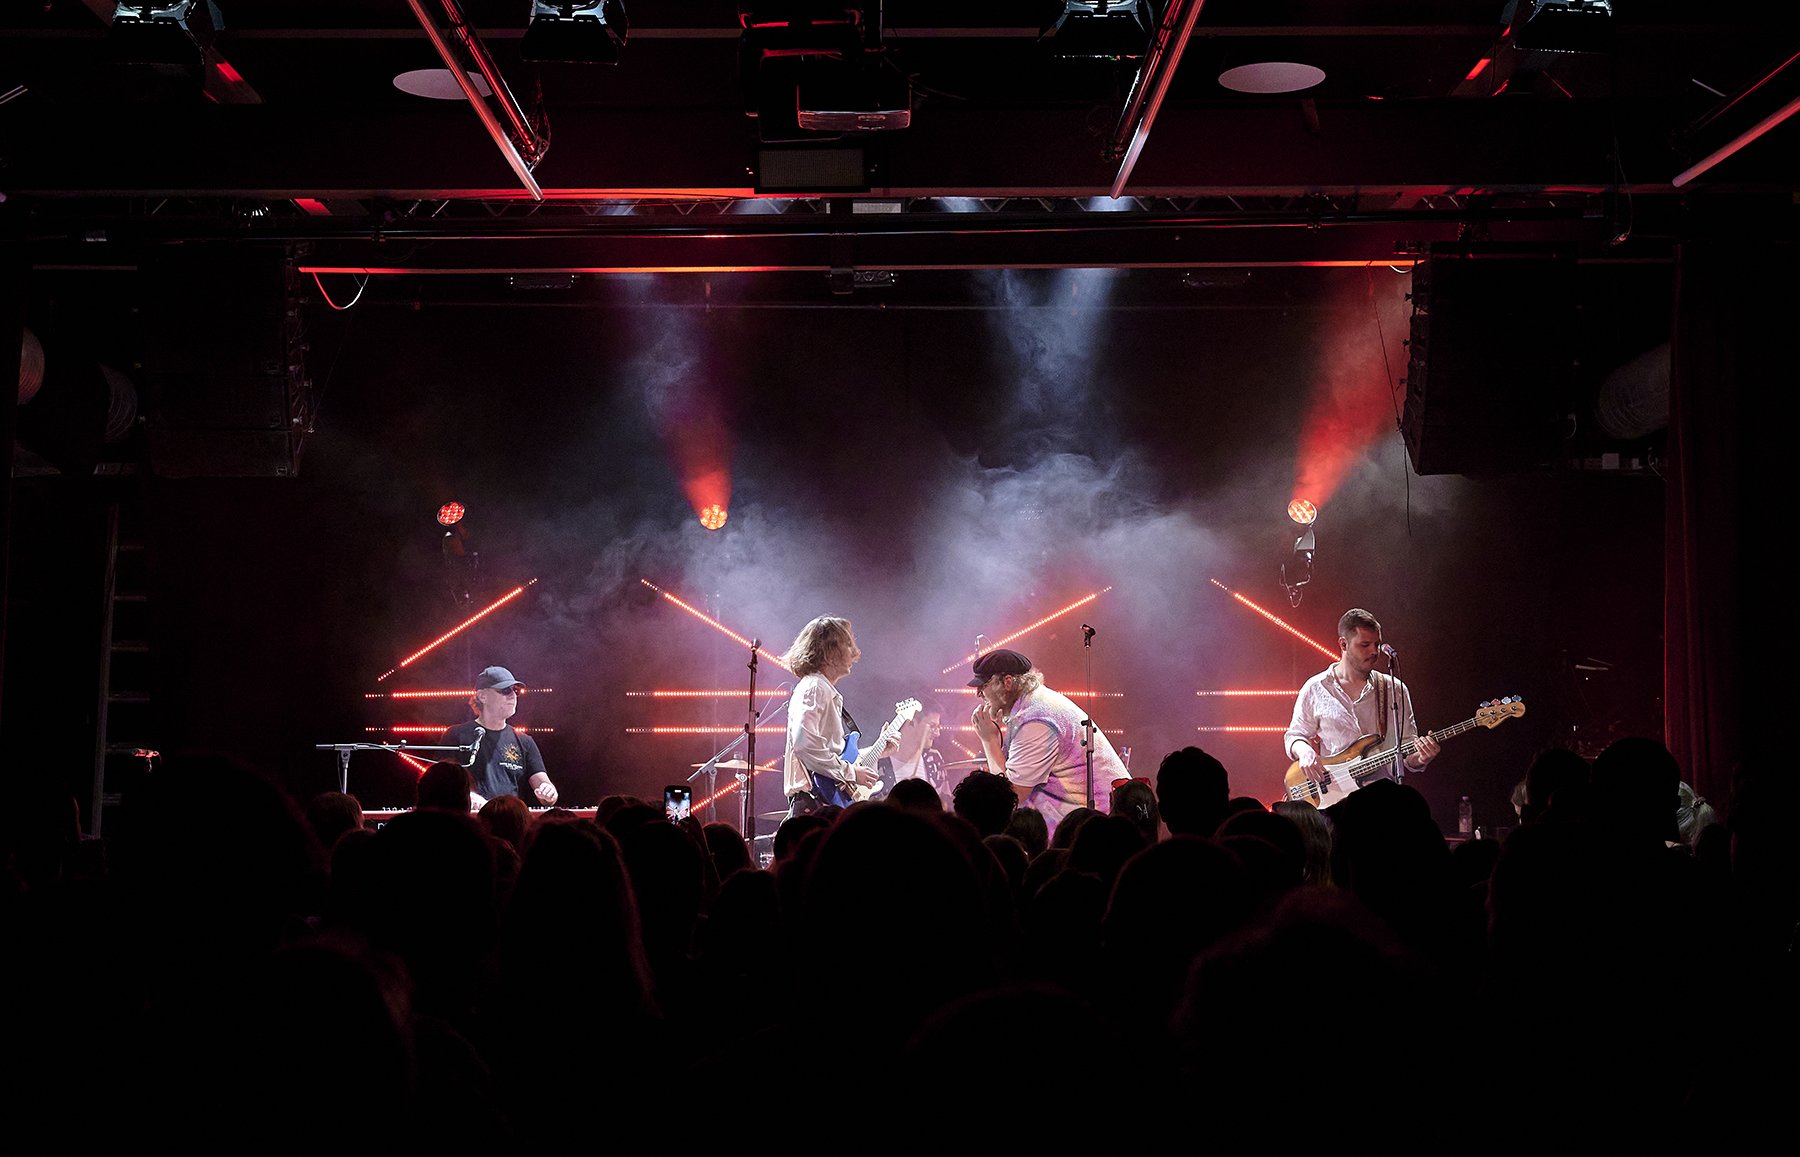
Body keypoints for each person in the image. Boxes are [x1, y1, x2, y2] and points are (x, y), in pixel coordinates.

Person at [1283, 608, 1438, 803]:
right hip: (1333, 800)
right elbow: (1295, 736)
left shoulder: (1394, 689)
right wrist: (1304, 752)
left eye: (1377, 644)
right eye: (1364, 645)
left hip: (1381, 801)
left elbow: (1406, 750)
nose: (1374, 652)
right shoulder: (1316, 688)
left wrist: (1422, 758)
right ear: (1343, 644)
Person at [967, 647, 1124, 836]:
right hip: (1092, 824)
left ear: (1007, 682)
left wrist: (989, 740)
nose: (978, 694)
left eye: (983, 685)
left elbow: (1010, 798)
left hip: (1096, 831)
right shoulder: (1034, 702)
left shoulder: (1036, 721)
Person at [780, 616, 893, 816]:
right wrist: (851, 773)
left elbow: (832, 753)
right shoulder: (814, 688)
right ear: (830, 652)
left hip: (823, 804)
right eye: (847, 644)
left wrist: (877, 750)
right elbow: (806, 744)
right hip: (815, 806)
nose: (854, 652)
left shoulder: (822, 689)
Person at [436, 666, 558, 810]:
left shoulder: (525, 742)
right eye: (505, 690)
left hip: (510, 823)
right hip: (470, 824)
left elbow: (546, 790)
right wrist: (467, 796)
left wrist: (549, 792)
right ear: (482, 696)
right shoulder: (456, 735)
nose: (513, 695)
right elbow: (439, 784)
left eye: (515, 690)